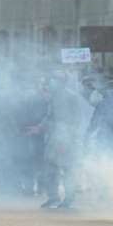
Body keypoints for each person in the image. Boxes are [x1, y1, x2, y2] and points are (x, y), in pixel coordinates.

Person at [29, 74, 94, 209]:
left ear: (62, 82)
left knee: (68, 169)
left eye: (54, 79)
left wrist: (66, 139)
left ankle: (69, 198)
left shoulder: (71, 97)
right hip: (54, 138)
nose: (51, 82)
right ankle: (53, 197)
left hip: (68, 139)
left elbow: (76, 120)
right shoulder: (54, 97)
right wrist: (40, 128)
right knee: (50, 168)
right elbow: (50, 117)